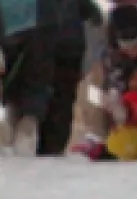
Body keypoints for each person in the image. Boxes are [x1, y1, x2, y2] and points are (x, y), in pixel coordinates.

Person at [0, 0, 64, 155]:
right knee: (32, 89)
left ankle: (21, 138)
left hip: (19, 34)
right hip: (36, 32)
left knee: (22, 90)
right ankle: (24, 136)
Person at [41, 0, 105, 155]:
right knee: (63, 100)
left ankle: (50, 145)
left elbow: (94, 16)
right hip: (69, 49)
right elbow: (95, 16)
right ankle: (53, 146)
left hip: (54, 51)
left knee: (55, 99)